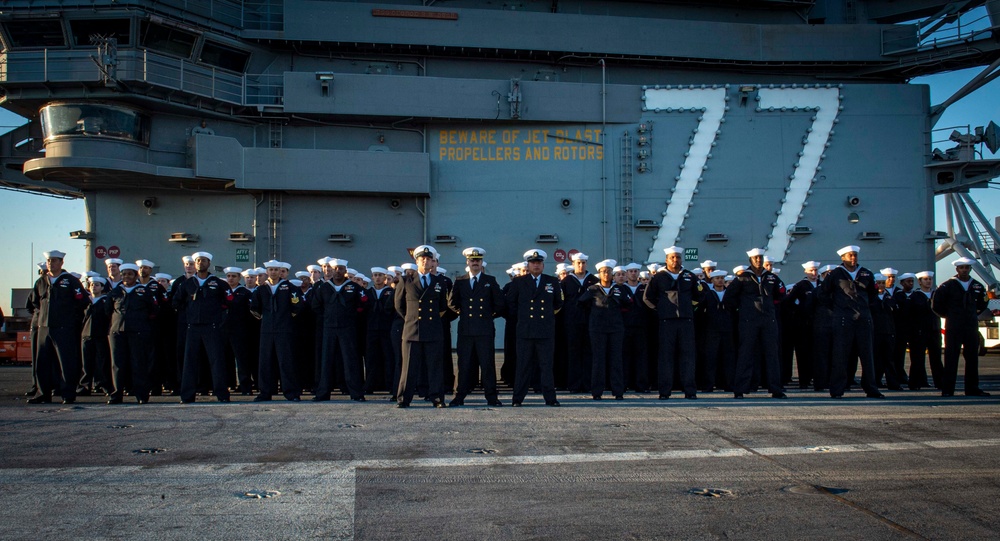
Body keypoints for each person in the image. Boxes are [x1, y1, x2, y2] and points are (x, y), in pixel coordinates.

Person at [818, 245, 884, 399]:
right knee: (840, 356)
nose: (853, 258)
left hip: (863, 319)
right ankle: (837, 389)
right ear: (843, 257)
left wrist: (865, 308)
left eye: (855, 255)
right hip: (843, 319)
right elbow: (823, 294)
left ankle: (871, 388)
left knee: (867, 355)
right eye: (850, 255)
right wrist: (837, 308)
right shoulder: (835, 274)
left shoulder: (866, 273)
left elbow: (873, 295)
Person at [27, 250, 90, 404]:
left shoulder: (70, 280)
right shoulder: (41, 281)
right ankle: (43, 393)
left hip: (64, 328)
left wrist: (70, 320)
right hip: (44, 327)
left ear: (61, 263)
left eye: (54, 260)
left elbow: (82, 302)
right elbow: (35, 302)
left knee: (66, 362)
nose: (51, 263)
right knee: (42, 362)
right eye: (49, 260)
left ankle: (68, 394)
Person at [724, 248, 787, 399]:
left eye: (760, 258)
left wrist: (770, 306)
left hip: (768, 320)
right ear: (750, 260)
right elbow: (729, 298)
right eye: (756, 258)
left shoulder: (770, 277)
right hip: (748, 321)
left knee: (772, 354)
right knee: (745, 354)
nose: (759, 260)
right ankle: (740, 389)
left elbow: (782, 294)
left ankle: (775, 388)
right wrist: (742, 310)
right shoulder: (742, 278)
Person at [506, 249, 564, 407]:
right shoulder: (519, 282)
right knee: (523, 366)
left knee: (546, 366)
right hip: (525, 330)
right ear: (528, 265)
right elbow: (511, 303)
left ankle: (550, 398)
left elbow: (558, 303)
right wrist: (522, 317)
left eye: (539, 263)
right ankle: (517, 399)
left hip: (545, 330)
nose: (536, 265)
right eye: (533, 263)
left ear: (543, 265)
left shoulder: (552, 281)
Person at [448, 247, 505, 407]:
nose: (475, 263)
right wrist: (464, 312)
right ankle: (458, 396)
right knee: (463, 365)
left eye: (478, 260)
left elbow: (500, 304)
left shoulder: (490, 281)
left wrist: (488, 315)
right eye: (472, 260)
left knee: (487, 365)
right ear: (467, 262)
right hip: (466, 329)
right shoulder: (460, 281)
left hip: (484, 329)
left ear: (482, 263)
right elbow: (452, 303)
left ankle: (492, 397)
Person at [643, 246, 702, 400]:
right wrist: (661, 310)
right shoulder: (658, 277)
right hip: (666, 322)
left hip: (686, 322)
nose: (676, 260)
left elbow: (700, 295)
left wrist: (689, 308)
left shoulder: (689, 276)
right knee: (665, 357)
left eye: (678, 257)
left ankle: (690, 391)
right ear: (666, 259)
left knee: (688, 356)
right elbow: (648, 298)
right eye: (672, 257)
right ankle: (664, 391)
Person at [395, 245, 450, 408]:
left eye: (429, 259)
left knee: (435, 367)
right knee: (409, 367)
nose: (425, 262)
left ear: (433, 262)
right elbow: (399, 305)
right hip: (412, 330)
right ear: (416, 261)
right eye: (422, 259)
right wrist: (411, 319)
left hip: (433, 330)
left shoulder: (439, 281)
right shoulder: (406, 280)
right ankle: (404, 399)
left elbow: (442, 306)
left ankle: (437, 398)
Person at [173, 252, 231, 403]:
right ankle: (187, 396)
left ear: (208, 263)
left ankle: (222, 395)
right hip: (192, 327)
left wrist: (218, 318)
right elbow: (176, 302)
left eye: (203, 261)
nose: (200, 263)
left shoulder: (218, 283)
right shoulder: (187, 284)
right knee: (190, 362)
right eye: (197, 261)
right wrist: (189, 314)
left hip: (212, 327)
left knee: (216, 361)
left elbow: (229, 302)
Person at [312, 258, 369, 402]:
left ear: (345, 270)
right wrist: (327, 318)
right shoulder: (324, 288)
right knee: (326, 361)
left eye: (341, 269)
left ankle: (356, 394)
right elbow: (316, 306)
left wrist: (351, 317)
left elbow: (363, 304)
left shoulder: (354, 287)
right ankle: (323, 393)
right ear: (331, 270)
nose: (338, 271)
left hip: (347, 328)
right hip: (329, 328)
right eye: (335, 269)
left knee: (351, 360)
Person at [932, 257, 990, 397]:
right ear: (957, 269)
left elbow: (983, 303)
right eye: (961, 267)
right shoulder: (947, 286)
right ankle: (948, 390)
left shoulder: (977, 286)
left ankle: (972, 388)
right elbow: (936, 304)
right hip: (954, 326)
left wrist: (972, 314)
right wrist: (949, 315)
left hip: (970, 326)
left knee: (972, 358)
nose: (964, 270)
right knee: (951, 358)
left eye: (967, 267)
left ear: (970, 269)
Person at [251, 260, 305, 401]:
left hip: (284, 330)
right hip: (267, 330)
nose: (274, 272)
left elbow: (298, 305)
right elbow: (254, 307)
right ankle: (265, 392)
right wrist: (266, 319)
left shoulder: (289, 287)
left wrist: (286, 318)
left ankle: (291, 392)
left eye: (276, 270)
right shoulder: (261, 288)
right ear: (267, 272)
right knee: (265, 362)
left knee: (286, 361)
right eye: (271, 270)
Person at [106, 263, 159, 404]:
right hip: (117, 332)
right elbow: (107, 311)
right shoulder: (116, 292)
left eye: (129, 274)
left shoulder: (144, 291)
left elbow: (153, 311)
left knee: (138, 363)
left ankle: (141, 394)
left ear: (136, 275)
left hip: (138, 332)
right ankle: (117, 394)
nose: (126, 277)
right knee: (117, 364)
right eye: (124, 274)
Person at [578, 259, 630, 400]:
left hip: (616, 328)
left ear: (612, 274)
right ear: (599, 274)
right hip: (597, 329)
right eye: (603, 272)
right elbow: (582, 303)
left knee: (616, 359)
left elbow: (628, 303)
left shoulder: (619, 289)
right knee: (598, 360)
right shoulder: (593, 289)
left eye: (608, 272)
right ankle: (597, 392)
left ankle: (618, 391)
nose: (606, 274)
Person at [560, 252, 598, 392]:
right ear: (573, 264)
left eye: (583, 263)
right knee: (573, 353)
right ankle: (574, 384)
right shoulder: (566, 281)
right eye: (578, 263)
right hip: (572, 322)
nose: (581, 265)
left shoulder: (594, 280)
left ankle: (588, 384)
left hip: (590, 322)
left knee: (589, 353)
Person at [698, 269, 736, 392]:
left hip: (727, 330)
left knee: (728, 358)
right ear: (712, 280)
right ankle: (708, 384)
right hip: (712, 331)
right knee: (710, 358)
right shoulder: (708, 295)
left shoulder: (729, 294)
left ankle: (728, 384)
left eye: (721, 278)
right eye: (717, 278)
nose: (720, 280)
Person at [222, 266, 255, 395]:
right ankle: (227, 385)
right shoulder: (222, 291)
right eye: (229, 276)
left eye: (234, 276)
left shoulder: (245, 293)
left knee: (242, 360)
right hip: (224, 330)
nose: (230, 279)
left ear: (239, 278)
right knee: (225, 359)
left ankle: (245, 386)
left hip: (240, 331)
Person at [365, 267, 396, 394]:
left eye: (380, 275)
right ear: (372, 277)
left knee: (388, 357)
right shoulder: (367, 292)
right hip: (371, 329)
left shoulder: (391, 292)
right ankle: (371, 384)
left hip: (386, 329)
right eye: (375, 275)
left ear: (385, 277)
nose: (377, 277)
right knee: (371, 358)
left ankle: (389, 384)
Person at [79, 277, 112, 396]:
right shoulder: (85, 301)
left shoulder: (105, 301)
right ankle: (85, 386)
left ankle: (103, 385)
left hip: (100, 335)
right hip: (86, 335)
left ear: (102, 287)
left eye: (97, 285)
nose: (94, 286)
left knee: (102, 362)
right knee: (86, 363)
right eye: (92, 284)